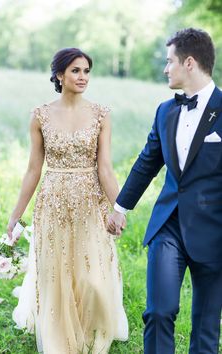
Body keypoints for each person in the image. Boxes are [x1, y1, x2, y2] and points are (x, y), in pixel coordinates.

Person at [108, 28, 222, 354]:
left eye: (169, 61)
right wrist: (120, 207)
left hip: (215, 228)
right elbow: (147, 162)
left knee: (205, 324)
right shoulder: (164, 111)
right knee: (158, 312)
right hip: (168, 224)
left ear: (189, 63)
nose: (165, 68)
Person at [8, 47, 128, 354]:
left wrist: (118, 208)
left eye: (87, 71)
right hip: (53, 202)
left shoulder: (102, 114)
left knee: (93, 278)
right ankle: (60, 333)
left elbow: (105, 168)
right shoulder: (40, 116)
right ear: (60, 75)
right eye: (76, 70)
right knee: (57, 274)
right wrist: (15, 215)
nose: (83, 76)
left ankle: (92, 325)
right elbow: (34, 169)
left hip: (91, 202)